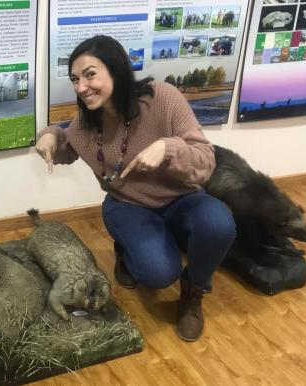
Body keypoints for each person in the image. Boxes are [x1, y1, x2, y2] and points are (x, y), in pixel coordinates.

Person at [35, 35, 235, 342]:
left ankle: (193, 292)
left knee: (219, 225)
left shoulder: (163, 98)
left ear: (116, 69)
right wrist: (47, 136)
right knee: (157, 274)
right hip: (128, 204)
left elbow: (206, 163)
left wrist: (167, 148)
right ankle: (126, 250)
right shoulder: (85, 125)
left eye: (90, 74)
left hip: (183, 198)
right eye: (75, 79)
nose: (81, 87)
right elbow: (64, 142)